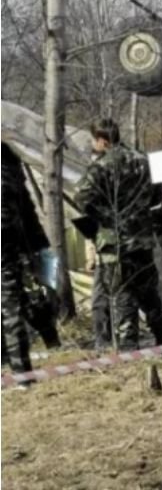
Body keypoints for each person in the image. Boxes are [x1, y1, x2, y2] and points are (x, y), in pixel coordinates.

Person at [75, 119, 162, 350]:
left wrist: (105, 215)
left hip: (115, 241)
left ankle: (129, 348)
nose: (93, 145)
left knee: (122, 294)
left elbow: (81, 197)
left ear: (103, 141)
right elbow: (157, 197)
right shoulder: (142, 160)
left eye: (94, 141)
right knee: (149, 292)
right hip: (142, 238)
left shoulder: (102, 166)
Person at [1, 141, 51, 377]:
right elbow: (26, 207)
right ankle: (18, 369)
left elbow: (26, 207)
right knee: (13, 304)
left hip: (9, 244)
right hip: (11, 244)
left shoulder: (8, 157)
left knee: (13, 306)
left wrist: (39, 244)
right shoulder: (8, 157)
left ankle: (21, 371)